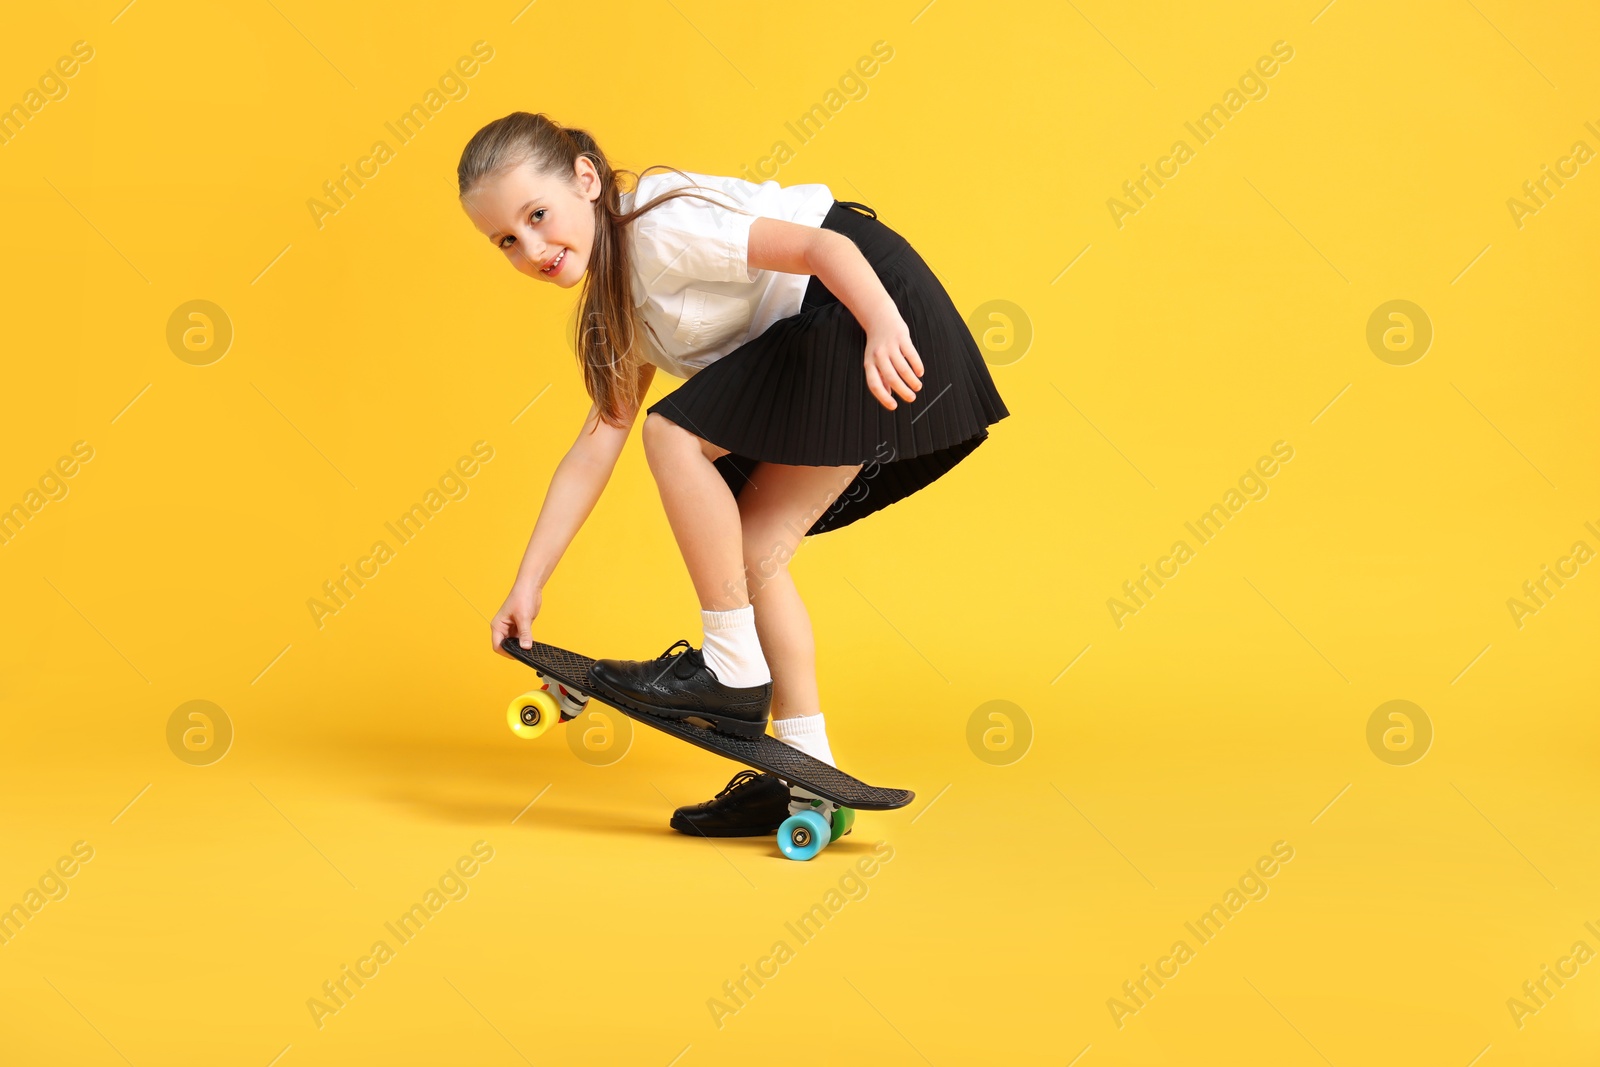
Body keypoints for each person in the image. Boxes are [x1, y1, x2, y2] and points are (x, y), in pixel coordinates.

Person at [457, 112, 1008, 838]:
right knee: (753, 551)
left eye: (537, 216)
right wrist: (528, 583)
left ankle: (730, 671)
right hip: (829, 332)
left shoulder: (660, 227)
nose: (532, 248)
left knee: (674, 434)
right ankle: (803, 777)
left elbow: (822, 245)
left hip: (863, 303)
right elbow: (595, 446)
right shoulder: (616, 304)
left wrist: (882, 323)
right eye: (507, 241)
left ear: (586, 181)